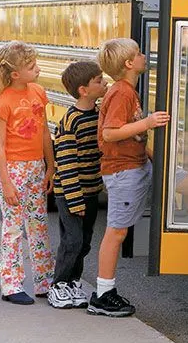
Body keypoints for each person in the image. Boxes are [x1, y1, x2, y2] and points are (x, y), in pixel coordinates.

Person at [87, 38, 170, 317]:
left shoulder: (126, 90)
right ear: (129, 63)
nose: (144, 55)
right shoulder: (122, 93)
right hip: (123, 171)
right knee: (116, 231)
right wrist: (148, 123)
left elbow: (131, 135)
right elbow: (110, 133)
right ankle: (102, 293)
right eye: (138, 53)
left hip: (135, 164)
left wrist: (149, 154)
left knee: (185, 183)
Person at [0, 41, 55, 305]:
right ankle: (11, 283)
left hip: (37, 165)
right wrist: (5, 181)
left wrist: (50, 166)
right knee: (13, 227)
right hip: (13, 169)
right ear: (15, 74)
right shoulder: (3, 103)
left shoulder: (38, 92)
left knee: (39, 224)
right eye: (31, 66)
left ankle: (44, 281)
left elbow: (45, 132)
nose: (37, 69)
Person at [47, 61, 108, 309]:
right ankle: (58, 285)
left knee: (84, 241)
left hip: (91, 190)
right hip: (70, 193)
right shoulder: (71, 120)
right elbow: (67, 162)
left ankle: (73, 281)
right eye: (99, 81)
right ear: (84, 89)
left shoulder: (98, 115)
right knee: (71, 240)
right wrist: (75, 199)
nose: (104, 84)